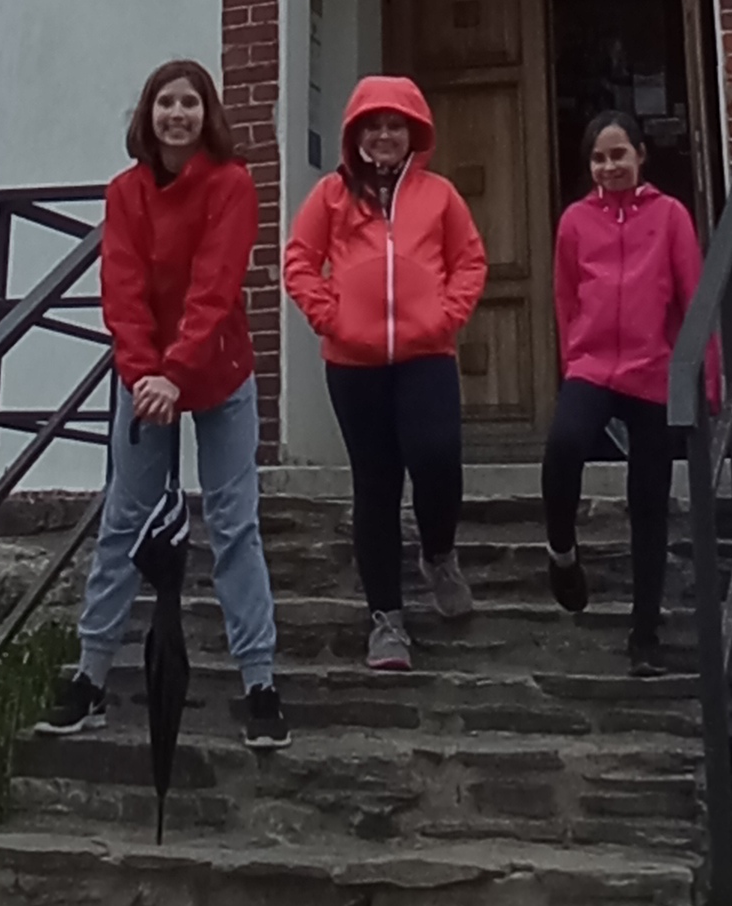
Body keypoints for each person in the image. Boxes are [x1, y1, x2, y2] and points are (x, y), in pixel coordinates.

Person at [39, 58, 288, 750]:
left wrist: (177, 373)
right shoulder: (126, 193)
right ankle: (90, 677)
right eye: (165, 103)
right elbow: (121, 288)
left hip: (218, 377)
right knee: (123, 522)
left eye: (189, 102)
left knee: (234, 526)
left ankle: (260, 683)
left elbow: (216, 284)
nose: (177, 114)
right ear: (148, 115)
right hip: (147, 384)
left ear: (208, 114)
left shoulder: (232, 184)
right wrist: (146, 373)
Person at [283, 73, 488, 672]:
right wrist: (331, 317)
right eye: (372, 126)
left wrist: (446, 316)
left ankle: (439, 553)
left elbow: (469, 261)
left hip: (427, 356)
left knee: (437, 458)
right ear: (355, 135)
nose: (383, 135)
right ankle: (387, 622)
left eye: (395, 125)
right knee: (375, 485)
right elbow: (299, 261)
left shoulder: (440, 195)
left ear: (413, 133)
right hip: (354, 365)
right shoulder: (331, 195)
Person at [543, 110, 707, 675]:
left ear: (640, 155)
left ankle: (645, 636)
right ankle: (562, 551)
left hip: (652, 371)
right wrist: (571, 361)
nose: (609, 166)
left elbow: (693, 297)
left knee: (648, 502)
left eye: (618, 154)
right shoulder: (574, 221)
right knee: (564, 446)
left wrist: (703, 381)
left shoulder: (670, 216)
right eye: (598, 157)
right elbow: (565, 297)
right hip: (591, 366)